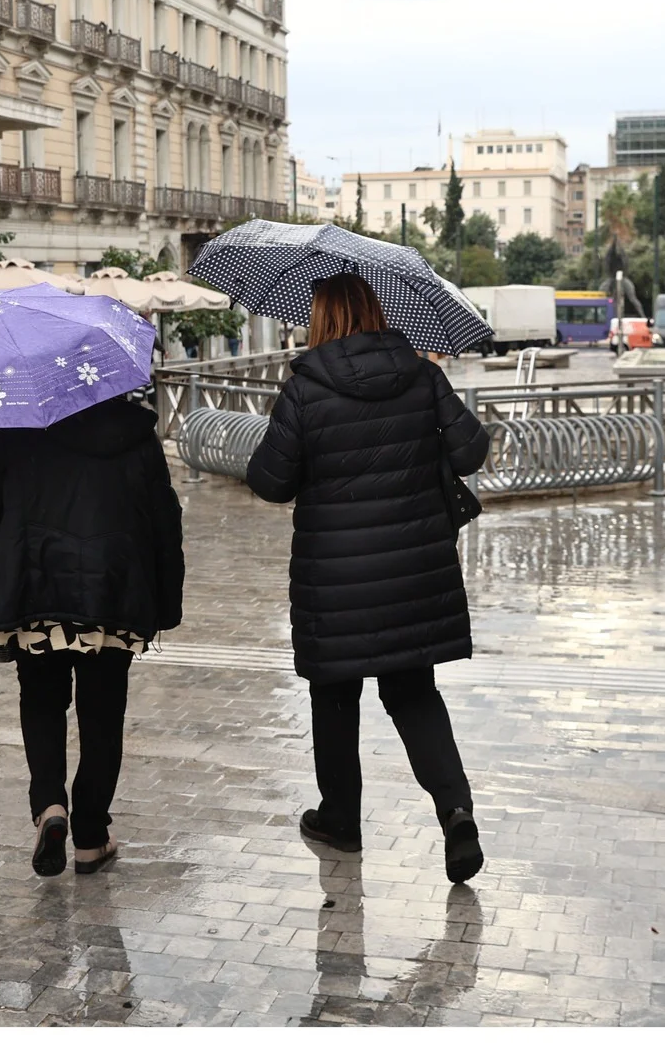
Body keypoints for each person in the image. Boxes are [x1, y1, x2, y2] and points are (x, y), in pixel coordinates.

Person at [245, 273, 491, 884]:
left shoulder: (304, 388)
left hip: (335, 579)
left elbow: (271, 482)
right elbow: (471, 452)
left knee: (334, 696)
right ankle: (456, 813)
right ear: (378, 309)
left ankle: (342, 820)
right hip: (414, 570)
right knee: (414, 695)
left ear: (321, 318)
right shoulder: (420, 372)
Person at [0, 396, 185, 877]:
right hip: (112, 592)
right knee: (102, 715)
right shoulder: (135, 432)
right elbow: (164, 519)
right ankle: (92, 838)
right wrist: (165, 604)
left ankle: (50, 807)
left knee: (41, 701)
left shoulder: (12, 422)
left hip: (35, 588)